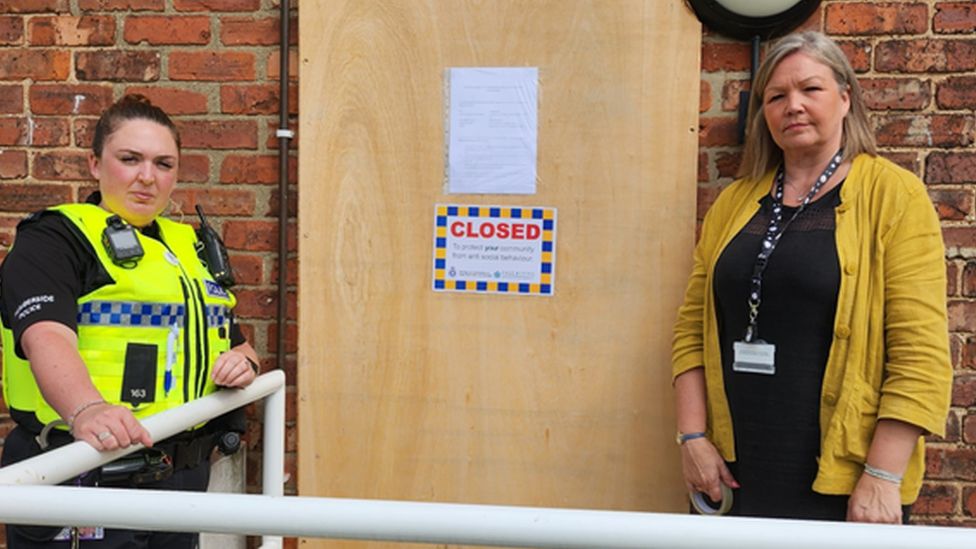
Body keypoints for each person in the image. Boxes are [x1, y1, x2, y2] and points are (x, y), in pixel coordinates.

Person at [671, 31, 952, 524]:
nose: (793, 106)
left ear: (845, 98)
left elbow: (920, 356)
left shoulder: (894, 198)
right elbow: (691, 330)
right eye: (776, 96)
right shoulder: (734, 204)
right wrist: (692, 437)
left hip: (848, 482)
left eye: (810, 90)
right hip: (734, 474)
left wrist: (883, 476)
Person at [0, 94, 259, 547]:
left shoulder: (188, 249)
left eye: (163, 164)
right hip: (88, 472)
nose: (147, 177)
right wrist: (87, 408)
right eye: (129, 159)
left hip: (178, 484)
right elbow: (46, 335)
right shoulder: (54, 239)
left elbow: (233, 340)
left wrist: (245, 364)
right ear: (95, 165)